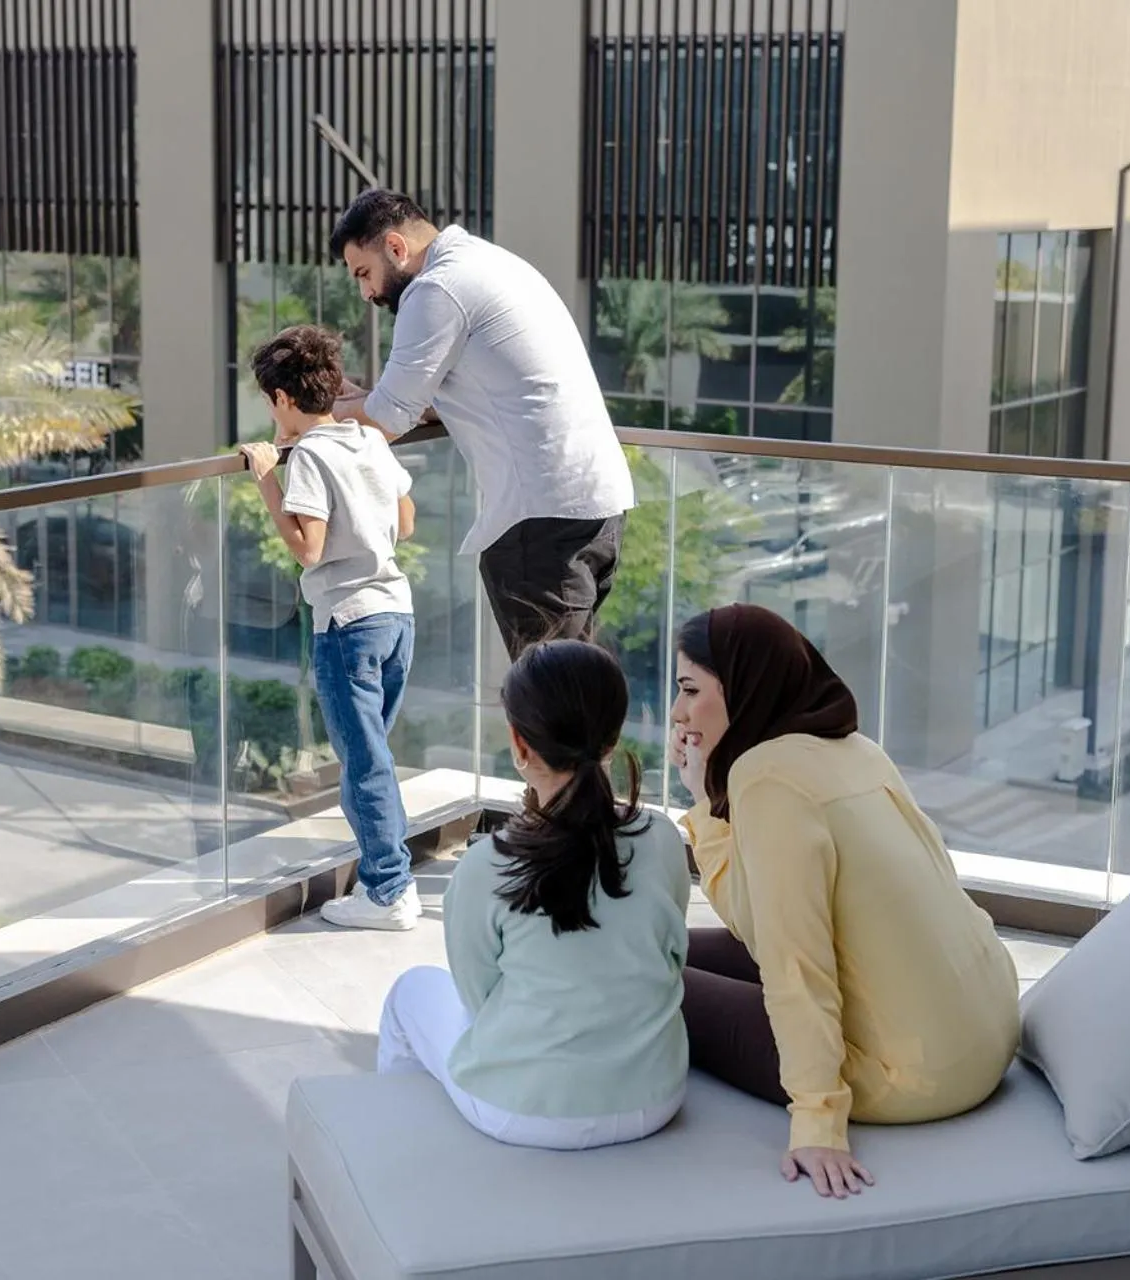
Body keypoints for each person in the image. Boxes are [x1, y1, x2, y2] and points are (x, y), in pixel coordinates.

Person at [668, 604, 1020, 1197]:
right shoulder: (854, 748)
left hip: (909, 1075)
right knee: (664, 946)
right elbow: (763, 924)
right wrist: (709, 797)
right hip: (986, 1037)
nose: (678, 713)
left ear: (746, 686)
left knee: (639, 973)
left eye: (690, 690)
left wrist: (818, 1122)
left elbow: (793, 963)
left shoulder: (766, 777)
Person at [378, 640, 691, 1148]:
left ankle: (402, 1150)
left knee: (408, 994)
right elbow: (671, 954)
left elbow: (478, 999)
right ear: (612, 738)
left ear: (519, 745)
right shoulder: (662, 838)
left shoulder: (487, 864)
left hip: (520, 1111)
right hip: (655, 1098)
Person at [326, 189, 636, 661]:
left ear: (395, 246)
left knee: (550, 706)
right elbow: (454, 391)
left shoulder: (436, 289)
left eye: (363, 274)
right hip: (595, 504)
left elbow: (388, 418)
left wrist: (317, 412)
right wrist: (365, 401)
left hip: (541, 517)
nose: (366, 293)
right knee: (576, 690)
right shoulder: (490, 263)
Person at [240, 325, 422, 931]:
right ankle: (389, 878)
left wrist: (270, 479)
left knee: (363, 764)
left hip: (346, 626)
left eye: (271, 402)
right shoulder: (367, 440)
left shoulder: (311, 459)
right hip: (397, 613)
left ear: (283, 399)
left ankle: (388, 891)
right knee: (373, 757)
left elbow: (308, 548)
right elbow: (407, 519)